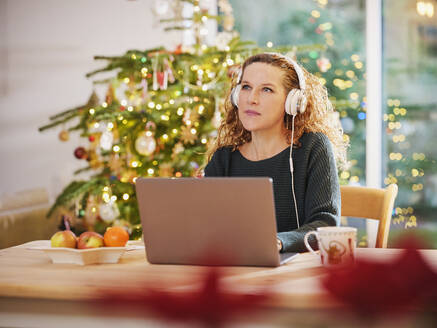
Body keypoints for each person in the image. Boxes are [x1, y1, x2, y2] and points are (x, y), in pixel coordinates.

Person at [203, 52, 348, 253]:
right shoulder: (224, 157)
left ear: (293, 102)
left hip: (294, 274)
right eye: (246, 87)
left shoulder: (313, 147)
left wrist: (279, 242)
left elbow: (325, 224)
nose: (251, 99)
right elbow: (204, 224)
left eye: (267, 90)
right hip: (234, 269)